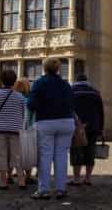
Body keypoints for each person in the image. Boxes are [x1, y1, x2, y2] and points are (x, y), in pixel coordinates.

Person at [27, 57, 75, 201]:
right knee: (61, 156)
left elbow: (31, 104)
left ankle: (44, 190)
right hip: (66, 122)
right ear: (58, 69)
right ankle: (61, 189)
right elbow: (72, 103)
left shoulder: (39, 83)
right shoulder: (66, 84)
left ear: (44, 68)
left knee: (45, 156)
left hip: (46, 122)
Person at [0, 68, 27, 189]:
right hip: (16, 129)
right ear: (14, 82)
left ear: (1, 81)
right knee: (17, 155)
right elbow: (24, 114)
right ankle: (21, 180)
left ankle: (3, 181)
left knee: (1, 155)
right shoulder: (20, 97)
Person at [70, 73, 104, 186]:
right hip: (92, 126)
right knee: (90, 152)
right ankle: (88, 178)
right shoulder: (95, 92)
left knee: (76, 152)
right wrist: (100, 129)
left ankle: (76, 178)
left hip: (76, 127)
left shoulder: (71, 91)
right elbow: (101, 113)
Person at [13, 77, 36, 186]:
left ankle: (13, 174)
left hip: (14, 129)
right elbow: (30, 116)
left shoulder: (13, 97)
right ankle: (27, 176)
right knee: (28, 154)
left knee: (15, 154)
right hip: (28, 129)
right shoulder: (30, 99)